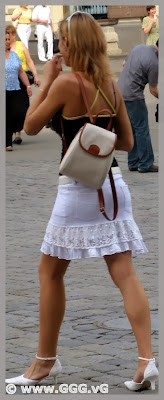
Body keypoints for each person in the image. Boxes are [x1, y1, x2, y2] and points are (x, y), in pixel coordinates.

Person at [5, 12, 159, 391]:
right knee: (124, 270)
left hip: (77, 188)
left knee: (50, 272)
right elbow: (126, 143)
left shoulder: (66, 83)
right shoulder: (111, 84)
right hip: (112, 185)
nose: (59, 46)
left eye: (62, 40)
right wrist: (96, 136)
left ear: (72, 43)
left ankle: (44, 362)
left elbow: (29, 126)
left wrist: (49, 83)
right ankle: (147, 360)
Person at [118, 41, 158, 173]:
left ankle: (133, 162)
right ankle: (146, 163)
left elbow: (124, 63)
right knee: (142, 129)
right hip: (133, 96)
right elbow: (153, 90)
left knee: (131, 129)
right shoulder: (154, 63)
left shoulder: (139, 47)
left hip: (119, 92)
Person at [6, 24, 40, 145]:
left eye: (11, 34)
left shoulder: (20, 45)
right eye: (7, 34)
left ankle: (17, 131)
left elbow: (29, 61)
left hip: (22, 78)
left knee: (21, 108)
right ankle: (12, 134)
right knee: (9, 107)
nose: (9, 37)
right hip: (8, 80)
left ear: (14, 35)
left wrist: (35, 75)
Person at [5, 32, 32, 151]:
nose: (7, 41)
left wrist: (28, 86)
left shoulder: (14, 55)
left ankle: (14, 132)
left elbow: (21, 72)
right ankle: (7, 143)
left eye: (8, 39)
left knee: (19, 112)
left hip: (15, 88)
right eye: (4, 39)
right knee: (5, 116)